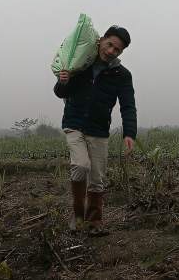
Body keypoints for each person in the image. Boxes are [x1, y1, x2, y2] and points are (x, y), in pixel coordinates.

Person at [53, 25, 137, 236]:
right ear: (101, 40)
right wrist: (63, 81)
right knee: (80, 166)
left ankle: (94, 222)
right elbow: (61, 91)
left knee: (98, 177)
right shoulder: (82, 64)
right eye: (110, 45)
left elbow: (128, 105)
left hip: (99, 130)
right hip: (74, 124)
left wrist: (129, 133)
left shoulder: (122, 75)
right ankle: (78, 216)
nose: (111, 51)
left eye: (117, 50)